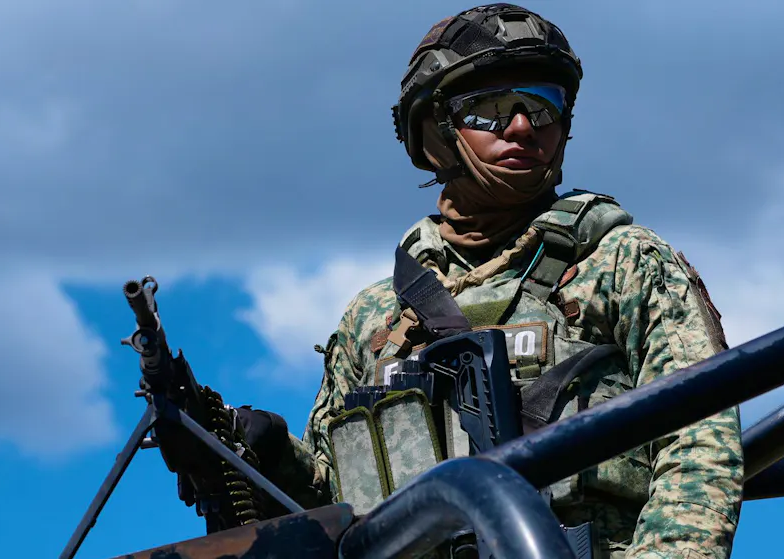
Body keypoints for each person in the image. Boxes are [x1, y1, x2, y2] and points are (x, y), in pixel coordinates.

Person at [242, 4, 743, 558]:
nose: (524, 126)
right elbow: (331, 507)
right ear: (437, 132)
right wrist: (255, 454)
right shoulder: (376, 318)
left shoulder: (622, 264)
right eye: (491, 110)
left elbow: (701, 444)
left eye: (542, 105)